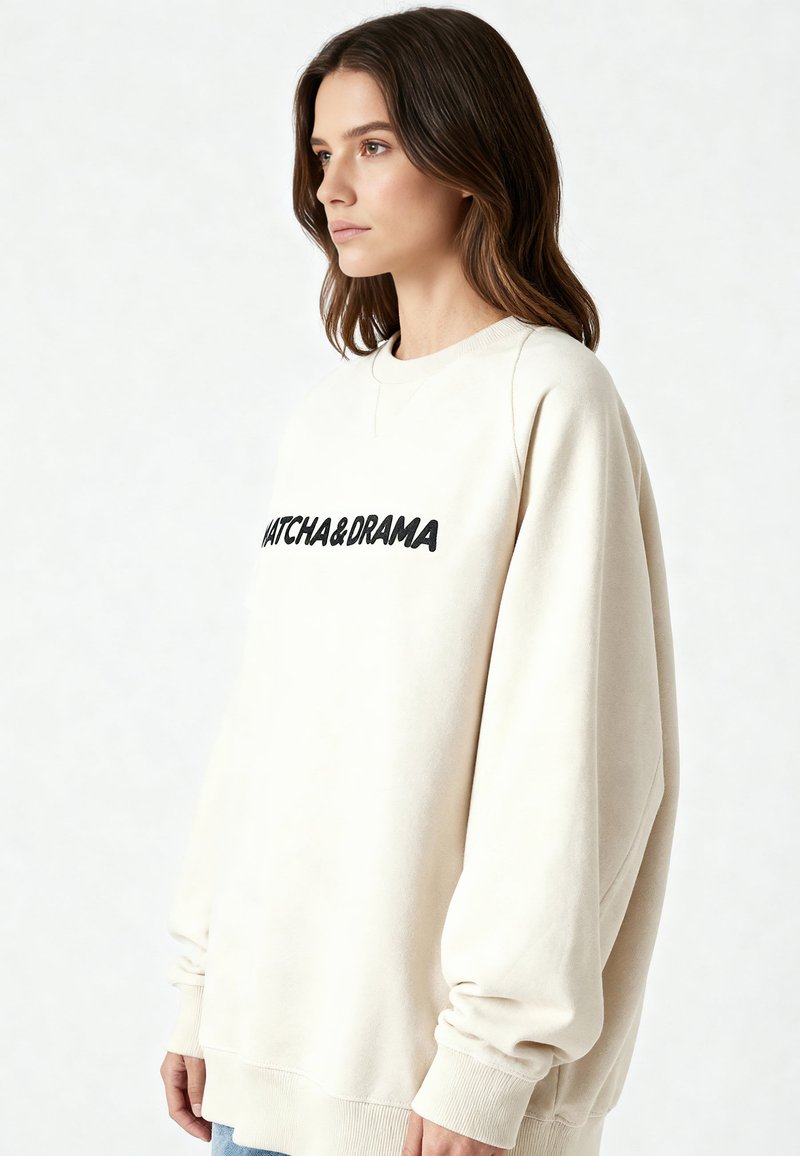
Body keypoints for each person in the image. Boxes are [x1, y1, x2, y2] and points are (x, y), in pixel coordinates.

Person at [159, 8, 680, 1156]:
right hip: (256, 1072)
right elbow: (263, 726)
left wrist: (487, 1068)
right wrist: (203, 991)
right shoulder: (325, 419)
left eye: (374, 145)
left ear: (467, 155)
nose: (331, 187)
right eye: (321, 153)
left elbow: (573, 761)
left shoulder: (547, 398)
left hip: (424, 1104)